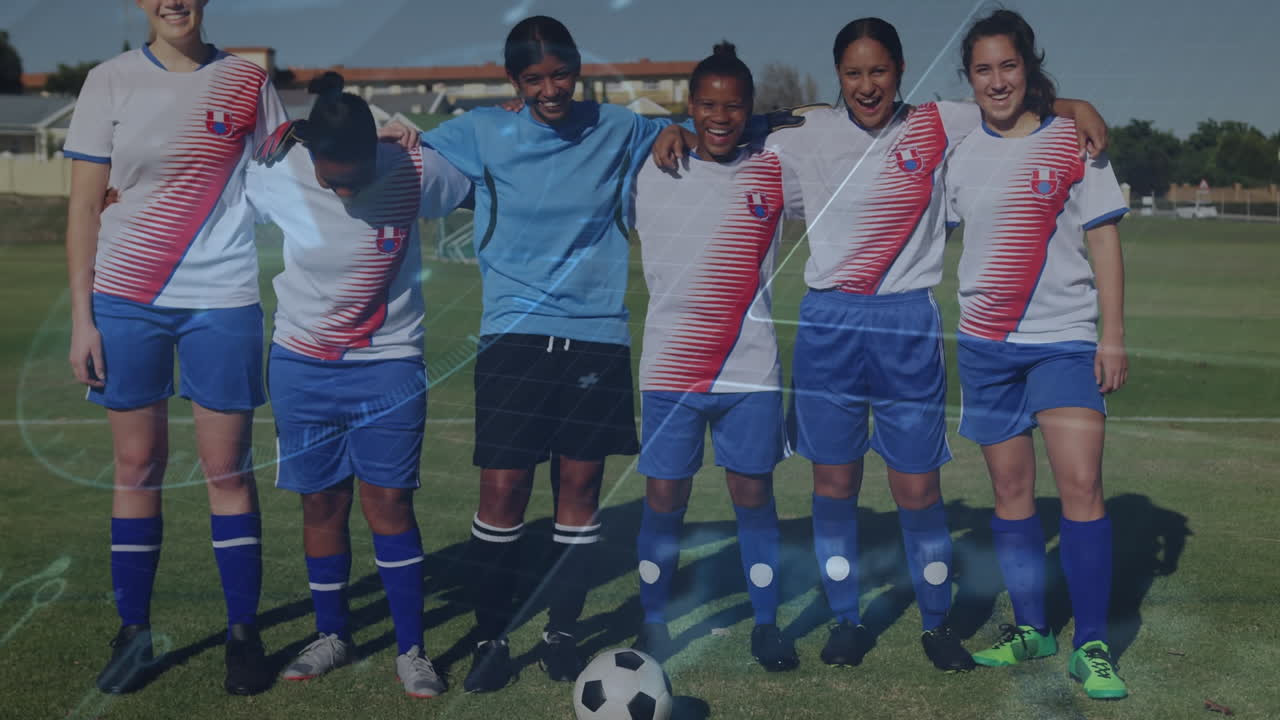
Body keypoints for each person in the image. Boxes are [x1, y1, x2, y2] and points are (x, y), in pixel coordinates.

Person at [747, 17, 1106, 672]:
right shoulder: (803, 135)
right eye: (853, 73)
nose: (867, 85)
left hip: (907, 324)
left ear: (901, 69)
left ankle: (938, 627)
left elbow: (1020, 104)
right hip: (829, 324)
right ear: (838, 77)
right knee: (834, 482)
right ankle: (848, 618)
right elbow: (736, 139)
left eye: (879, 71)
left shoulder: (944, 121)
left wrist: (1077, 105)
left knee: (917, 489)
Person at [420, 15, 677, 692]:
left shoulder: (620, 126)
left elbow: (677, 131)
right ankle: (490, 636)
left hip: (597, 333)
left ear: (578, 68)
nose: (550, 89)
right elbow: (407, 145)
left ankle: (562, 631)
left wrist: (673, 127)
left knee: (581, 489)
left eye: (560, 73)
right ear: (514, 82)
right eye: (533, 79)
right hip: (513, 335)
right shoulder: (480, 131)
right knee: (504, 490)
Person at [63, 0, 286, 696]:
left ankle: (243, 635)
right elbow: (80, 206)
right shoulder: (110, 79)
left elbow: (294, 173)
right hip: (126, 300)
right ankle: (134, 633)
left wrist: (384, 140)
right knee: (136, 467)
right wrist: (82, 316)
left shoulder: (248, 80)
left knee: (227, 470)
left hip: (223, 298)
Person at [246, 74, 471, 698]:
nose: (346, 188)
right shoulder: (275, 171)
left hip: (389, 364)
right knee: (320, 503)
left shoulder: (411, 167)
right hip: (300, 364)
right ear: (310, 153)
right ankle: (333, 635)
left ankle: (412, 649)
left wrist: (427, 134)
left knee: (389, 505)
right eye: (332, 175)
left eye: (357, 174)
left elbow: (481, 172)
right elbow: (208, 200)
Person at [945, 9, 1129, 700]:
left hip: (1063, 339)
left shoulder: (1073, 141)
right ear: (970, 79)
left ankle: (1093, 645)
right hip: (988, 348)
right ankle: (1031, 629)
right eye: (984, 70)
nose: (998, 81)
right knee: (1011, 492)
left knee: (1080, 486)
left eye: (1009, 65)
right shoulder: (958, 148)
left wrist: (1112, 335)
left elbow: (1105, 238)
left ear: (1030, 65)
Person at [630, 42, 803, 672]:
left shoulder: (776, 166)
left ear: (751, 110)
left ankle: (765, 623)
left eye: (734, 107)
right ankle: (654, 624)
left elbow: (825, 122)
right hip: (670, 369)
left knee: (752, 495)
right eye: (707, 105)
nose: (720, 116)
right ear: (689, 106)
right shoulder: (650, 163)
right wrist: (664, 129)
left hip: (750, 367)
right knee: (664, 496)